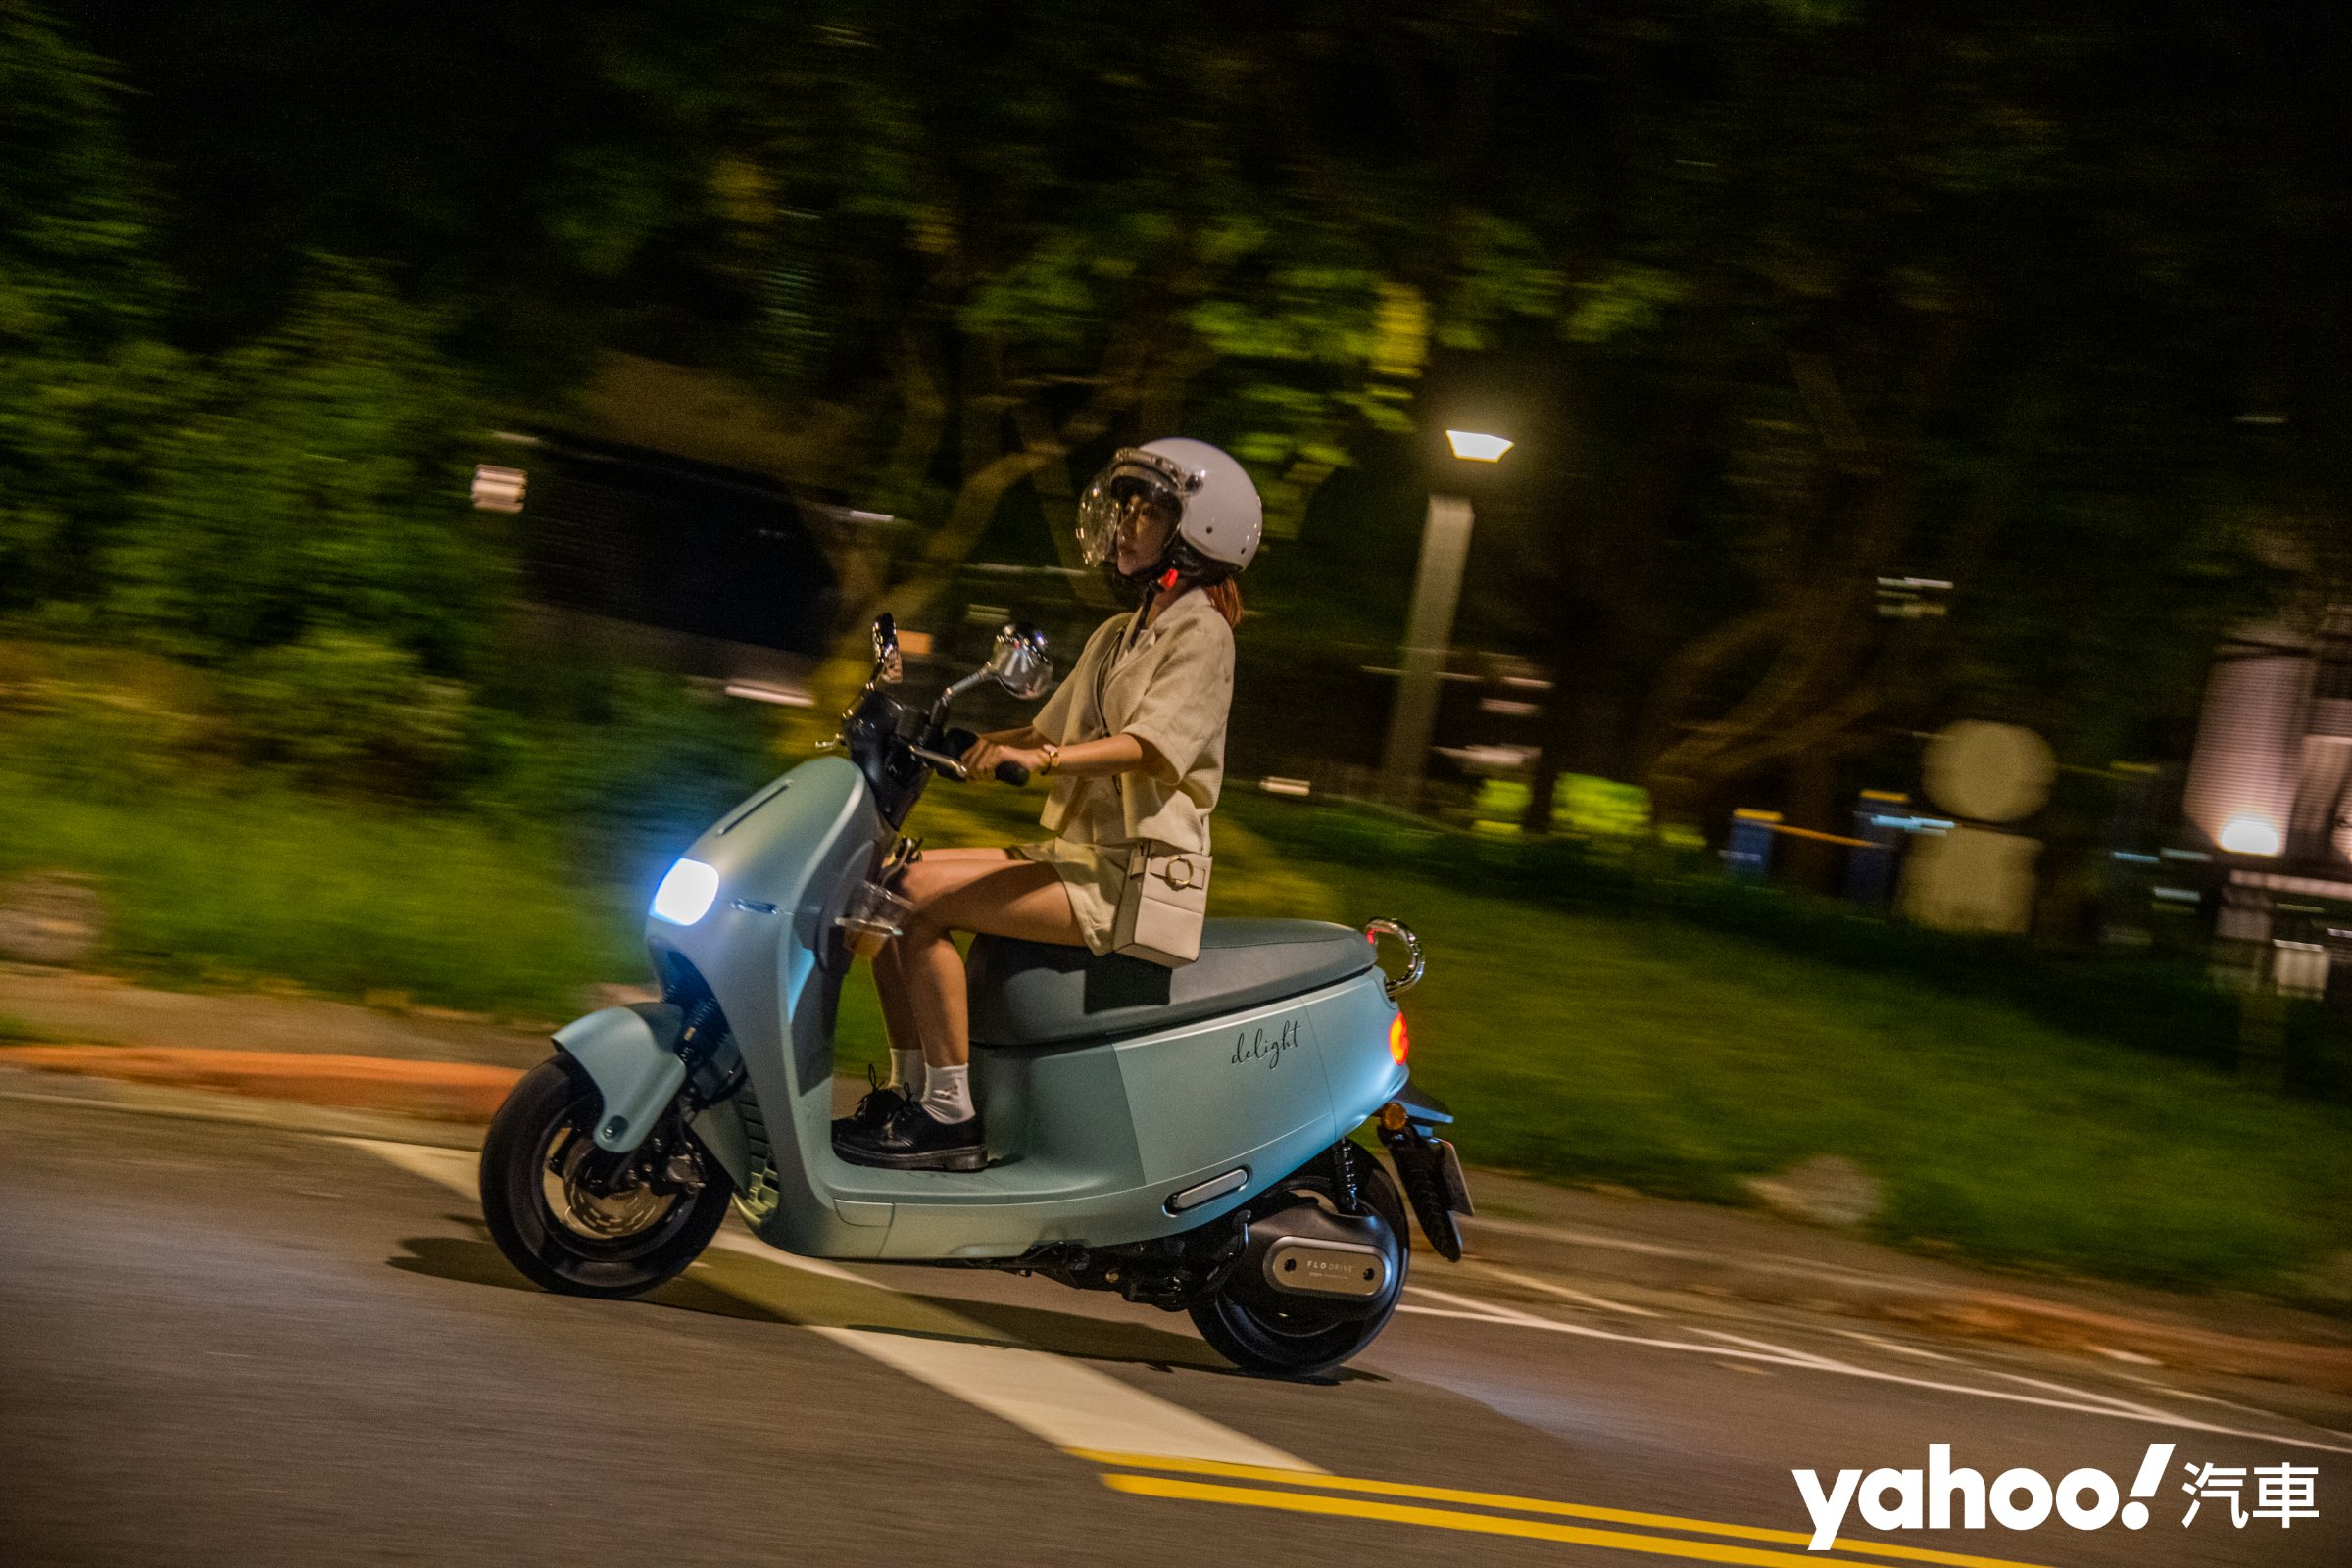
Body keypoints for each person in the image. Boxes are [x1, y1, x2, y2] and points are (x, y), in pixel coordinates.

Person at [832, 438, 1261, 1171]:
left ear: (1201, 530)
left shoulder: (1204, 634)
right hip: (1082, 858)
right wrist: (953, 741)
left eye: (1148, 511)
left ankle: (949, 1116)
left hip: (1138, 877)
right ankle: (912, 1094)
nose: (1126, 523)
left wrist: (1040, 761)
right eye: (1125, 507)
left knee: (920, 904)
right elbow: (1043, 728)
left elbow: (1150, 747)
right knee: (890, 884)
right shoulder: (1120, 632)